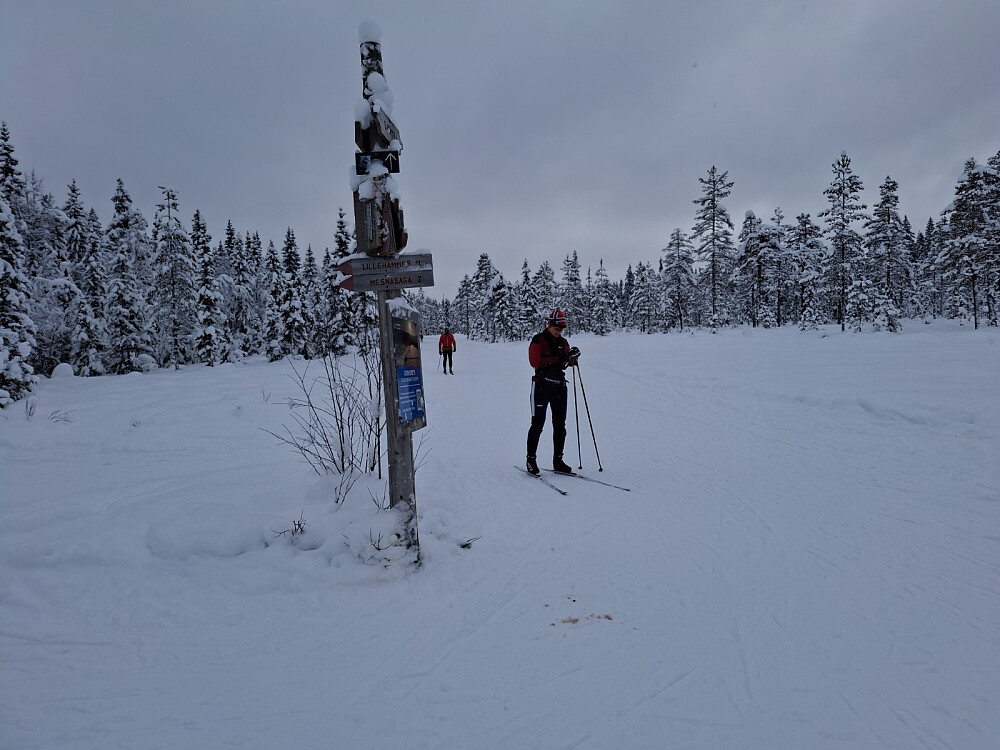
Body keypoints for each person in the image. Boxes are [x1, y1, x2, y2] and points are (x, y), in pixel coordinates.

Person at [526, 309, 580, 475]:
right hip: (541, 387)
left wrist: (572, 358)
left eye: (562, 329)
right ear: (549, 325)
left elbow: (566, 363)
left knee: (560, 425)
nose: (559, 331)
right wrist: (560, 359)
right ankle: (531, 460)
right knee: (537, 424)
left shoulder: (563, 342)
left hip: (559, 387)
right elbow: (535, 362)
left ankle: (558, 461)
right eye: (557, 328)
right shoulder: (538, 340)